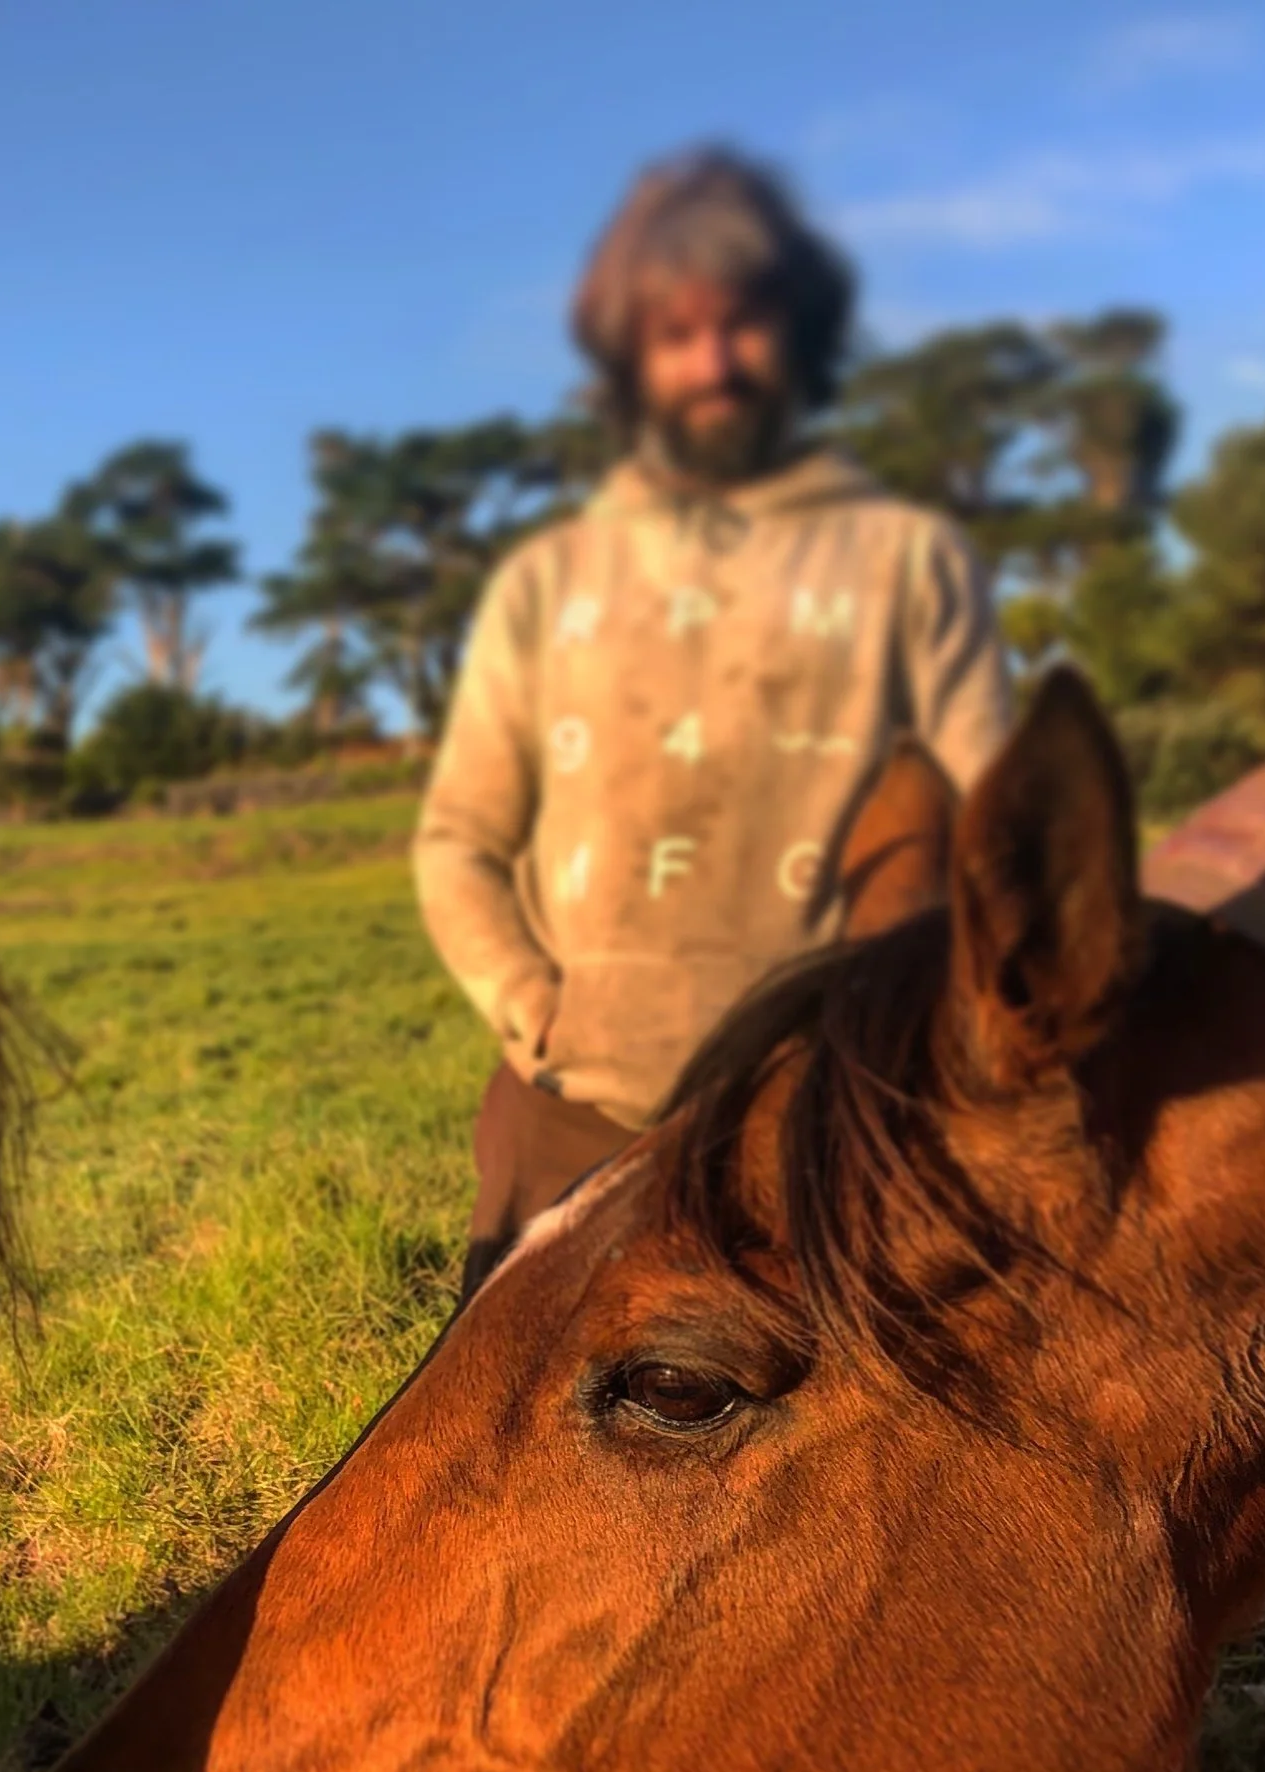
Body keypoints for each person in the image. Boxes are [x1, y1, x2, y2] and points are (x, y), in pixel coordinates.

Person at [416, 147, 1014, 1301]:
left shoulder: (904, 561)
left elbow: (991, 822)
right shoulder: (551, 579)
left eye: (742, 325)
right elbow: (459, 839)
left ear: (798, 336)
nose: (712, 362)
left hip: (818, 1116)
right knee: (518, 1441)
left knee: (806, 1451)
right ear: (628, 356)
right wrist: (531, 1011)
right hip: (568, 1112)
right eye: (673, 333)